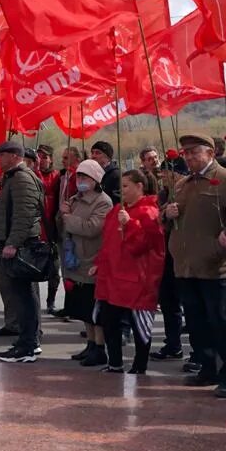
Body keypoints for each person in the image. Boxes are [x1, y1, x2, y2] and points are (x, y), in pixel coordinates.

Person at [165, 133, 226, 397]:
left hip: (215, 267)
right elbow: (167, 216)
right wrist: (167, 213)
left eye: (194, 152)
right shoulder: (182, 184)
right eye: (185, 153)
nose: (188, 157)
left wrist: (222, 243)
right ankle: (206, 367)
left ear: (210, 153)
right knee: (197, 323)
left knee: (220, 324)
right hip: (185, 266)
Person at [92, 169, 164, 374]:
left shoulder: (149, 212)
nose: (121, 191)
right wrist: (99, 263)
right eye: (121, 186)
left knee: (139, 325)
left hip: (137, 277)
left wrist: (130, 225)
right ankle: (115, 362)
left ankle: (139, 366)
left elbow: (146, 245)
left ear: (139, 186)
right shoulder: (117, 210)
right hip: (113, 275)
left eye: (126, 186)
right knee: (110, 322)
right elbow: (107, 242)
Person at [0, 142, 45, 363]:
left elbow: (25, 214)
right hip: (13, 244)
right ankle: (26, 341)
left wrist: (13, 243)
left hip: (20, 246)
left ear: (14, 156)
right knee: (20, 296)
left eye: (2, 155)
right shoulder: (12, 178)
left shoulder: (22, 179)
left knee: (25, 297)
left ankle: (29, 345)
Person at [58, 158, 114, 366]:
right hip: (75, 260)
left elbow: (92, 228)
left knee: (94, 310)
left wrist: (67, 218)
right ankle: (90, 344)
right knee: (83, 309)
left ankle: (100, 347)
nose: (80, 180)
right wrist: (62, 212)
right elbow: (63, 223)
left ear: (95, 179)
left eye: (85, 177)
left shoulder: (103, 202)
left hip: (92, 258)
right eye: (79, 176)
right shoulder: (75, 199)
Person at [150, 156, 188, 362]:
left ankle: (200, 353)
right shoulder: (164, 193)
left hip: (185, 253)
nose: (162, 176)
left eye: (166, 172)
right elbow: (159, 219)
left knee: (190, 304)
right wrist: (165, 213)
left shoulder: (188, 189)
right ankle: (172, 344)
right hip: (166, 253)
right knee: (168, 302)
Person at [34, 145, 61, 315]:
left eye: (45, 157)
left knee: (54, 270)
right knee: (32, 268)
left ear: (50, 158)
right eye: (39, 157)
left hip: (52, 229)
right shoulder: (32, 174)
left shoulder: (57, 176)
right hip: (37, 229)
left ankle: (51, 301)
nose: (42, 160)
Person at [89, 141, 120, 206]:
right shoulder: (91, 174)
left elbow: (117, 201)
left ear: (108, 157)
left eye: (98, 153)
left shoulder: (116, 175)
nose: (93, 156)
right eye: (92, 152)